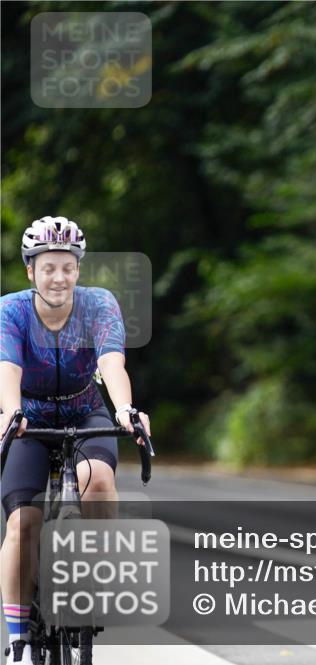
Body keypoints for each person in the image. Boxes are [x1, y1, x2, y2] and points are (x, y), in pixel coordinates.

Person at [0, 216, 151, 665]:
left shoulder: (98, 304)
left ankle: (93, 572)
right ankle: (19, 640)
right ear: (31, 270)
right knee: (22, 524)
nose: (59, 277)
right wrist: (11, 413)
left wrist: (125, 410)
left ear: (78, 269)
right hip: (29, 418)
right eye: (48, 267)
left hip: (85, 410)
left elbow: (111, 362)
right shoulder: (11, 311)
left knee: (98, 481)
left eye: (68, 267)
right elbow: (7, 369)